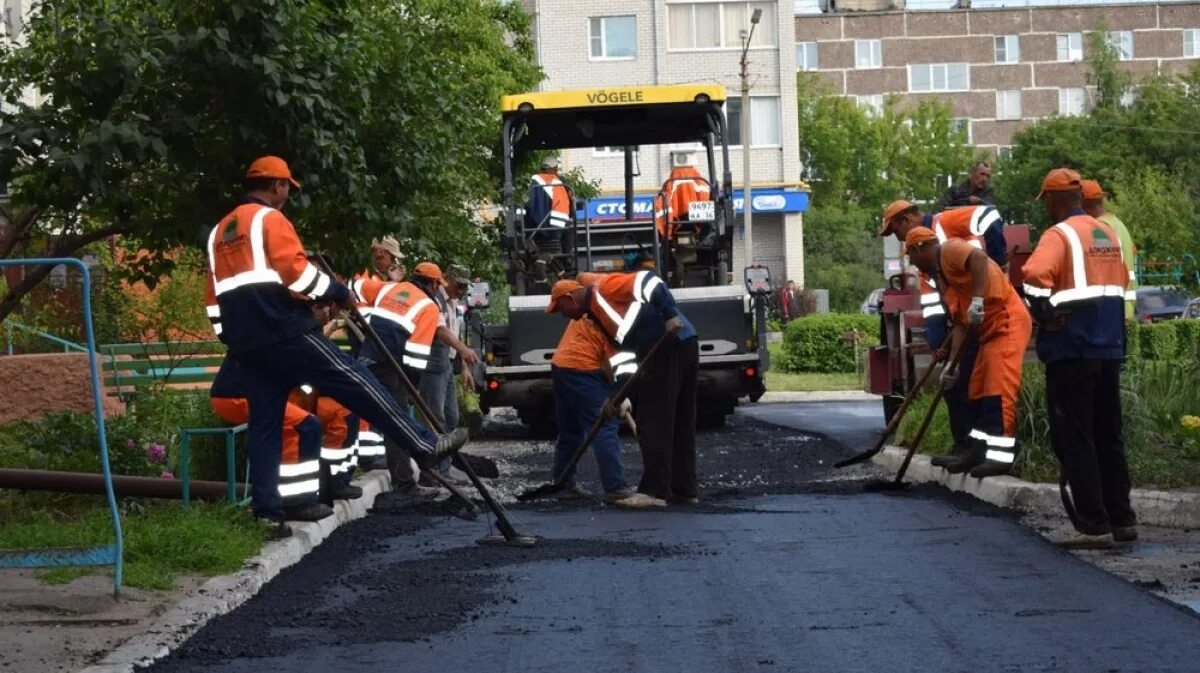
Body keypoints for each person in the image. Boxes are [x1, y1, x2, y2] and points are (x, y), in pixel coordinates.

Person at [203, 156, 467, 528]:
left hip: (248, 344)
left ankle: (272, 508)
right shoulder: (268, 220)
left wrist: (233, 338)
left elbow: (215, 298)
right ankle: (423, 444)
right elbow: (295, 272)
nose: (287, 197)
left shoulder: (220, 233)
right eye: (287, 190)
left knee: (266, 424)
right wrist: (336, 291)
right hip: (284, 331)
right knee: (356, 381)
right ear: (277, 185)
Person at [1023, 167, 1134, 550]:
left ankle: (1093, 525)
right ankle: (1122, 519)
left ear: (1054, 199)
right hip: (1108, 347)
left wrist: (1046, 315)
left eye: (1047, 202)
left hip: (1072, 348)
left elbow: (1033, 274)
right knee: (1109, 434)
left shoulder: (1060, 234)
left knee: (1076, 436)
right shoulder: (1106, 233)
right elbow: (1118, 286)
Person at [546, 268, 698, 509]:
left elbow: (649, 280)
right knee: (678, 421)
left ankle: (654, 491)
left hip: (669, 343)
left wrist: (669, 314)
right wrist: (617, 396)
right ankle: (683, 489)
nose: (563, 316)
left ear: (570, 298)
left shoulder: (605, 289)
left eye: (561, 309)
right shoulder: (596, 316)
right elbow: (624, 357)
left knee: (653, 419)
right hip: (676, 346)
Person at [879, 199, 1007, 469]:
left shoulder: (945, 224)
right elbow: (933, 304)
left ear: (906, 220)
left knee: (972, 382)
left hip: (980, 309)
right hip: (959, 318)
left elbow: (989, 214)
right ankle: (964, 444)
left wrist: (999, 261)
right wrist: (940, 344)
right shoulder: (921, 253)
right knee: (952, 382)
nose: (900, 240)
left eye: (897, 232)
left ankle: (977, 447)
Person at [904, 227, 1032, 478]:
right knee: (976, 388)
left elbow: (979, 259)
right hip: (988, 333)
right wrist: (953, 365)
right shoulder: (941, 279)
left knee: (998, 388)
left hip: (1007, 323)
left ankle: (1002, 458)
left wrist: (977, 300)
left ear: (920, 247)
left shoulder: (951, 249)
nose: (911, 261)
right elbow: (960, 324)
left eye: (911, 254)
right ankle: (978, 451)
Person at [350, 262, 445, 495]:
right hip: (393, 369)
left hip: (367, 359)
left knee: (363, 411)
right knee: (398, 423)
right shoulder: (429, 308)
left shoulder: (389, 289)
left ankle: (353, 471)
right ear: (432, 284)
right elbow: (416, 354)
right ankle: (404, 483)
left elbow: (356, 284)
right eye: (438, 285)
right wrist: (412, 387)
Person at [210, 364, 329, 529]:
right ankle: (296, 504)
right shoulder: (280, 339)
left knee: (295, 427)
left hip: (238, 393)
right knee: (306, 426)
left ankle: (287, 501)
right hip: (239, 396)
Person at [545, 310, 635, 503]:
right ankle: (615, 487)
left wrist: (615, 394)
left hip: (561, 365)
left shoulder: (591, 307)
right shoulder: (617, 317)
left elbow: (606, 357)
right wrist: (617, 397)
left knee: (571, 430)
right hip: (582, 369)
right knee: (605, 424)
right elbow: (618, 362)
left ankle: (563, 484)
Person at [414, 263, 480, 485]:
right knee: (434, 417)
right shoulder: (435, 300)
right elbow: (440, 331)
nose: (462, 290)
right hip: (433, 365)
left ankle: (445, 470)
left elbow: (454, 333)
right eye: (459, 285)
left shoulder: (454, 302)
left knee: (451, 417)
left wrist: (464, 367)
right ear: (446, 280)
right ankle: (430, 472)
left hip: (447, 364)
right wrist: (462, 349)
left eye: (464, 287)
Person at [1082, 179, 1138, 320]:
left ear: (1084, 204)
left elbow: (1102, 267)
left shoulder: (1099, 229)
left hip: (1112, 309)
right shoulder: (1117, 224)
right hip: (1124, 306)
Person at [524, 156, 571, 248]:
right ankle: (568, 259)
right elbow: (565, 205)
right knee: (569, 230)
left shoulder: (530, 183)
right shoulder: (558, 183)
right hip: (555, 230)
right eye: (556, 170)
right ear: (554, 169)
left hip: (533, 230)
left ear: (542, 169)